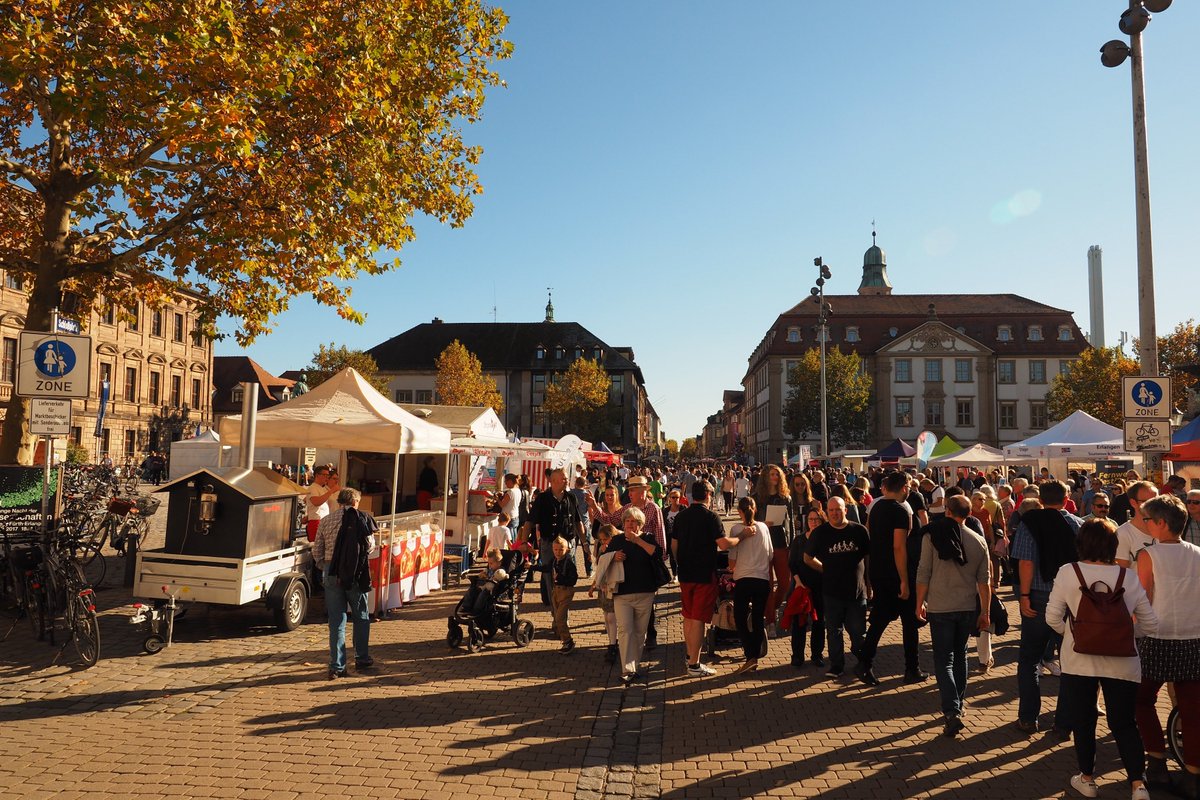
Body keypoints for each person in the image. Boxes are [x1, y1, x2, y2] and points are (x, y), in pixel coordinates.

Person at [1046, 518, 1158, 800]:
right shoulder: (1127, 577)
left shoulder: (1068, 572)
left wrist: (1074, 635)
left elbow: (1052, 617)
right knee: (1124, 723)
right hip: (1123, 661)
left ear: (1081, 543)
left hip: (1078, 660)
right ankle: (1138, 785)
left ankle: (1087, 779)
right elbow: (1151, 624)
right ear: (1112, 545)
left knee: (1084, 722)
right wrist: (1127, 635)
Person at [1135, 495, 1200, 798]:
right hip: (1193, 636)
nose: (1143, 523)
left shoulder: (1149, 555)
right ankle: (1192, 774)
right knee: (1192, 708)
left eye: (1146, 519)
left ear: (1161, 523)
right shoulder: (1198, 553)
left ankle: (1157, 763)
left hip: (1158, 636)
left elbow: (1143, 597)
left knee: (1142, 699)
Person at [915, 495, 991, 737]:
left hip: (940, 606)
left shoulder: (932, 536)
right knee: (960, 656)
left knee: (944, 659)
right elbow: (984, 581)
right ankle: (958, 704)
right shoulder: (978, 541)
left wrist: (919, 603)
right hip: (967, 606)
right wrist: (985, 611)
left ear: (947, 511)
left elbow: (923, 572)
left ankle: (951, 710)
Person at [1011, 479, 1082, 734]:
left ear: (1040, 499)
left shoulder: (1029, 523)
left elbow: (1026, 563)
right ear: (1067, 498)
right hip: (1070, 600)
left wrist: (1024, 595)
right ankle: (1064, 722)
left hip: (1039, 597)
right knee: (1069, 662)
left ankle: (1028, 717)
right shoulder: (1078, 524)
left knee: (1029, 658)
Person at [856, 470, 928, 686]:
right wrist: (904, 580)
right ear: (904, 487)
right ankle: (911, 668)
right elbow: (899, 547)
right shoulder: (898, 511)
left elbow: (869, 536)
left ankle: (866, 662)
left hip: (879, 571)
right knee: (908, 621)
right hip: (895, 573)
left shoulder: (876, 507)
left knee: (880, 620)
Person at [589, 475, 667, 648]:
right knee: (628, 596)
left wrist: (660, 560)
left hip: (646, 559)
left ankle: (650, 634)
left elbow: (660, 535)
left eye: (632, 490)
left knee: (647, 598)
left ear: (643, 492)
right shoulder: (627, 508)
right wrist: (594, 507)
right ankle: (628, 637)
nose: (629, 493)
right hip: (627, 559)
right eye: (629, 490)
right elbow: (609, 520)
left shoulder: (653, 509)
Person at [671, 481, 736, 678]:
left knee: (688, 616)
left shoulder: (681, 516)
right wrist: (741, 537)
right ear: (708, 495)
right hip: (704, 573)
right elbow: (723, 544)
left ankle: (690, 655)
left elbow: (674, 545)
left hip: (686, 573)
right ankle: (694, 664)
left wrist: (679, 564)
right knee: (698, 619)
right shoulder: (711, 516)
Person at [312, 488, 378, 679]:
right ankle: (362, 657)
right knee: (361, 616)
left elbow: (317, 551)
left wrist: (326, 566)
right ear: (356, 501)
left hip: (332, 573)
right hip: (356, 573)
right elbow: (370, 546)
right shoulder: (363, 518)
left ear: (339, 502)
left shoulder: (326, 521)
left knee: (337, 621)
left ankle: (337, 665)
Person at [804, 496, 871, 680]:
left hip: (857, 591)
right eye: (831, 510)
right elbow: (807, 558)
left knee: (858, 633)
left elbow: (868, 558)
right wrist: (824, 568)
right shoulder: (821, 533)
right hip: (831, 592)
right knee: (834, 631)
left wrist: (869, 584)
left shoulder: (859, 531)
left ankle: (862, 662)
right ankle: (837, 665)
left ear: (845, 510)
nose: (834, 513)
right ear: (826, 512)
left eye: (838, 509)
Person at [605, 507, 663, 686]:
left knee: (639, 632)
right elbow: (603, 558)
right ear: (623, 523)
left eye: (634, 522)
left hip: (645, 593)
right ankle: (627, 669)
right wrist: (613, 556)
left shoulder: (648, 539)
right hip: (622, 594)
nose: (630, 524)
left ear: (641, 524)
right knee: (625, 631)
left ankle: (634, 667)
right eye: (628, 521)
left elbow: (657, 553)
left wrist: (638, 540)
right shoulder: (616, 540)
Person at [725, 496, 774, 676]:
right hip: (762, 578)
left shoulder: (736, 529)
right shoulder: (763, 528)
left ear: (739, 512)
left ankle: (750, 655)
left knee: (740, 618)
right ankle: (754, 655)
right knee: (757, 618)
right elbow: (770, 555)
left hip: (744, 579)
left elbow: (731, 563)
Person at [524, 468, 585, 605]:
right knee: (548, 575)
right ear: (554, 481)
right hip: (548, 543)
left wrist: (585, 543)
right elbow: (530, 521)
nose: (567, 481)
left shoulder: (571, 497)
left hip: (567, 544)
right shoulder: (542, 498)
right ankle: (553, 606)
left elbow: (577, 521)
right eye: (564, 479)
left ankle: (562, 607)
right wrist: (523, 542)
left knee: (567, 574)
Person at [753, 464, 794, 638]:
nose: (775, 478)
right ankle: (770, 621)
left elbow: (790, 521)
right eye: (772, 475)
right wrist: (762, 523)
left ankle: (773, 608)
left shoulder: (786, 498)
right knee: (767, 585)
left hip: (780, 542)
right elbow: (750, 521)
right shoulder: (757, 497)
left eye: (777, 475)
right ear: (765, 477)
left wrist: (792, 543)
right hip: (763, 542)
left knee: (785, 583)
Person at [787, 506, 827, 668]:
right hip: (801, 586)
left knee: (819, 622)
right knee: (799, 623)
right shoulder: (799, 540)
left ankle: (817, 655)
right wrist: (797, 582)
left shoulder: (826, 539)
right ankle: (797, 656)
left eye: (817, 519)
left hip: (820, 586)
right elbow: (792, 563)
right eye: (811, 519)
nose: (813, 522)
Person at [588, 524, 621, 663]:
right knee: (607, 616)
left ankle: (613, 645)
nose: (603, 542)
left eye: (605, 539)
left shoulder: (618, 551)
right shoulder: (602, 550)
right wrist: (593, 585)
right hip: (603, 588)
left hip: (613, 589)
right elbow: (599, 569)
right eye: (601, 540)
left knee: (612, 617)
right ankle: (611, 641)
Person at [1116, 481, 1160, 568]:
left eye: (1157, 501)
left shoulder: (1164, 529)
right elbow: (1122, 572)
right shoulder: (1122, 534)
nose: (1154, 506)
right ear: (1133, 503)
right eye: (1148, 502)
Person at [549, 536, 579, 654]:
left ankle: (568, 641)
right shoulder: (555, 560)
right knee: (557, 617)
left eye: (561, 550)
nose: (558, 552)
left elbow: (573, 580)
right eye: (555, 549)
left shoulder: (569, 562)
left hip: (566, 591)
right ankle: (563, 637)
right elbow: (547, 568)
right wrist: (532, 567)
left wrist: (560, 578)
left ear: (566, 549)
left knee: (560, 618)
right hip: (556, 591)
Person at [305, 464, 340, 542]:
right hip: (316, 521)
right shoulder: (313, 487)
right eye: (325, 475)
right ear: (317, 475)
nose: (327, 478)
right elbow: (316, 502)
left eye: (328, 475)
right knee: (317, 547)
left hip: (323, 521)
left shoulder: (321, 488)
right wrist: (331, 491)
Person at [570, 476, 594, 576]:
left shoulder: (570, 493)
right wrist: (592, 523)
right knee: (586, 547)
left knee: (572, 549)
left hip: (572, 523)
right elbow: (590, 511)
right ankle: (589, 571)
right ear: (584, 484)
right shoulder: (586, 495)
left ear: (576, 483)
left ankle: (573, 571)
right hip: (584, 522)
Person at [500, 474, 521, 539]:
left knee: (509, 538)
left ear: (510, 481)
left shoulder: (510, 492)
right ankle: (514, 549)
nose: (505, 483)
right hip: (515, 516)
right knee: (514, 537)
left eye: (506, 481)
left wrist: (497, 498)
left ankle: (511, 549)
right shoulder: (518, 490)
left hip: (508, 517)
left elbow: (502, 504)